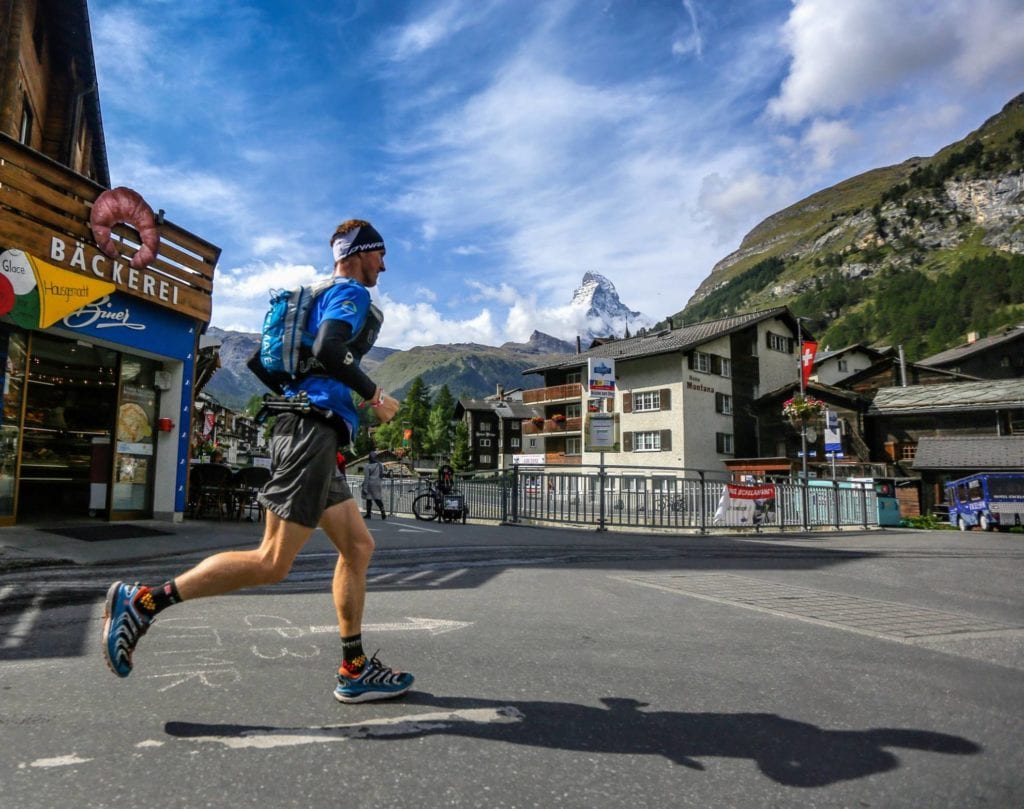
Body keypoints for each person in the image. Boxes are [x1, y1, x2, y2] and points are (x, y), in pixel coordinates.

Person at [102, 218, 414, 703]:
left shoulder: (313, 295)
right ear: (358, 253)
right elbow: (331, 348)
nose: (384, 265)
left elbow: (261, 364)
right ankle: (143, 602)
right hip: (311, 433)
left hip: (309, 430)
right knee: (271, 561)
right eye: (380, 254)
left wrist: (299, 400)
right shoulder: (350, 292)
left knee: (358, 547)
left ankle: (353, 668)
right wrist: (374, 396)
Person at [362, 450, 386, 520]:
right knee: (377, 498)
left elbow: (366, 478)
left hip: (370, 484)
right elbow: (382, 475)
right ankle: (383, 511)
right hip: (378, 483)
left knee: (369, 499)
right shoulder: (380, 465)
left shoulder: (367, 466)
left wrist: (365, 488)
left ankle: (368, 514)